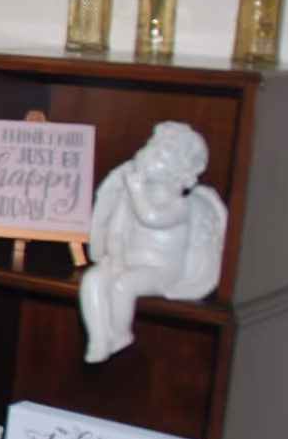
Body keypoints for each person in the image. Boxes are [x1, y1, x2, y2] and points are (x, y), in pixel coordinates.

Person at [79, 122, 227, 363]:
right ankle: (98, 340)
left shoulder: (182, 206)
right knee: (92, 280)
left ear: (180, 171)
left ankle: (120, 333)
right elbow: (115, 231)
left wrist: (136, 190)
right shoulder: (130, 197)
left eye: (160, 152)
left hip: (161, 271)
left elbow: (152, 218)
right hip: (127, 261)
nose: (148, 155)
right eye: (151, 147)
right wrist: (115, 257)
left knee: (124, 286)